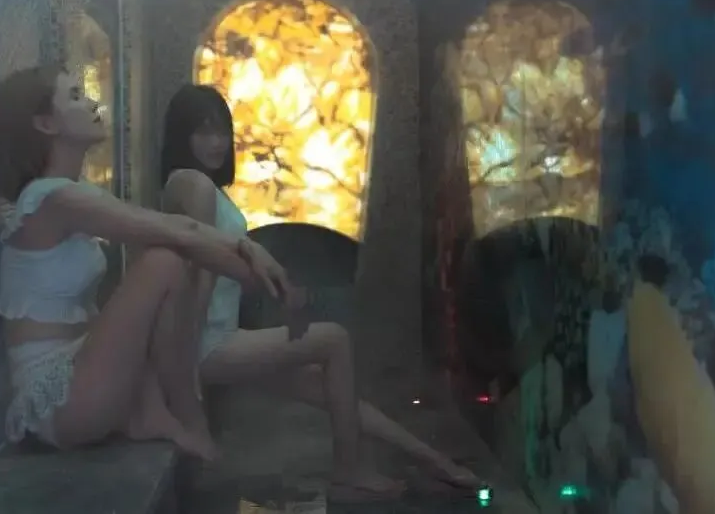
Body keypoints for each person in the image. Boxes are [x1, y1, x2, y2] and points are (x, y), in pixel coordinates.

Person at [159, 83, 484, 503]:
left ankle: (436, 462)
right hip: (206, 345)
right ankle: (349, 472)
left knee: (330, 386)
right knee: (334, 340)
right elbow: (198, 274)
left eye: (221, 130)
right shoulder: (193, 185)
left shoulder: (200, 187)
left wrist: (264, 272)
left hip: (215, 339)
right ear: (180, 135)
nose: (216, 142)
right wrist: (186, 384)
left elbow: (217, 259)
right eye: (203, 131)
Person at [0, 64, 301, 461]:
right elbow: (176, 230)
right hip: (58, 400)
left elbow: (175, 228)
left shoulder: (70, 193)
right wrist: (250, 259)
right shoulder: (53, 199)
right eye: (75, 97)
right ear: (46, 124)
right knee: (163, 262)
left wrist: (247, 252)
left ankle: (153, 414)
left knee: (165, 260)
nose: (93, 103)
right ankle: (189, 415)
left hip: (87, 372)